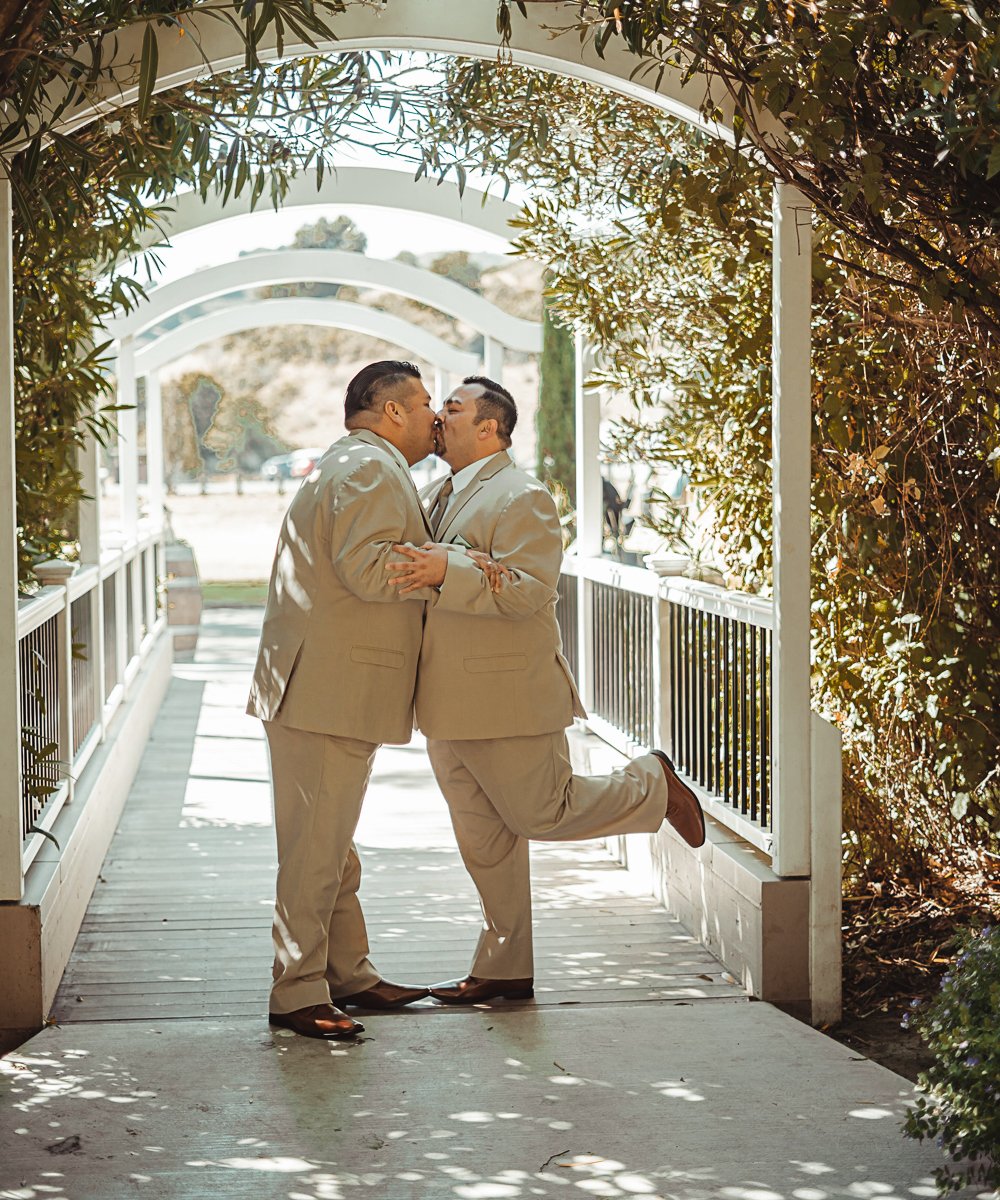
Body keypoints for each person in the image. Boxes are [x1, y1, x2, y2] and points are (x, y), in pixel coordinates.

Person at [387, 376, 706, 1005]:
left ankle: (649, 783)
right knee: (485, 844)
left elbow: (531, 587)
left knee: (542, 813)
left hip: (506, 696)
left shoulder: (522, 496)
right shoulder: (437, 492)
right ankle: (504, 969)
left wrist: (450, 566)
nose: (439, 419)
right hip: (444, 703)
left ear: (489, 428)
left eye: (452, 409)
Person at [246, 360, 440, 1040]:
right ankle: (297, 991)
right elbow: (368, 567)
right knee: (314, 851)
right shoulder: (370, 470)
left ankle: (347, 971)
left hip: (316, 688)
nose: (433, 418)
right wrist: (447, 571)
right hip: (325, 691)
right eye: (424, 405)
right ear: (391, 411)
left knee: (329, 845)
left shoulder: (352, 463)